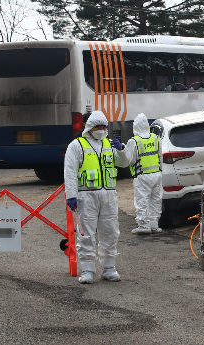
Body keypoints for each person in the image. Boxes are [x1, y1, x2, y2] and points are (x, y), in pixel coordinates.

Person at [64, 110, 129, 284]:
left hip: (108, 195)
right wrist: (71, 195)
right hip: (86, 195)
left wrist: (122, 149)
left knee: (110, 231)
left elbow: (125, 162)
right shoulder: (77, 145)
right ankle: (87, 270)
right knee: (86, 233)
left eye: (104, 127)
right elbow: (70, 171)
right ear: (90, 127)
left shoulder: (110, 144)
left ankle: (109, 268)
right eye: (98, 126)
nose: (101, 129)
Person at [125, 113, 164, 235]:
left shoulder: (134, 141)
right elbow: (160, 156)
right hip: (156, 174)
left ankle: (143, 225)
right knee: (155, 200)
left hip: (142, 175)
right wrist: (160, 171)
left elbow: (130, 160)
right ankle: (154, 225)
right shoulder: (155, 138)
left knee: (142, 200)